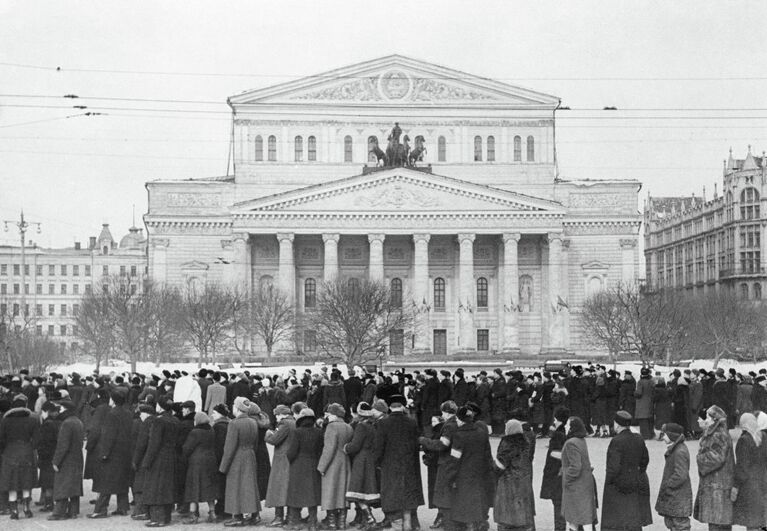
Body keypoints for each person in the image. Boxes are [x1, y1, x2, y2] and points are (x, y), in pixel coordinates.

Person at [373, 394, 424, 531]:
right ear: (402, 407)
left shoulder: (383, 423)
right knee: (408, 493)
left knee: (392, 494)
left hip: (390, 465)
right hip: (409, 464)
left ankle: (397, 524)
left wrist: (376, 462)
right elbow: (416, 444)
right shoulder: (412, 422)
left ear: (389, 407)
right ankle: (408, 522)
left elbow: (379, 447)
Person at [601, 410, 652, 531]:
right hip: (635, 482)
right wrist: (638, 472)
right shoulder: (638, 438)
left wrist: (609, 482)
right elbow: (645, 460)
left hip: (618, 486)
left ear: (617, 424)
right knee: (633, 519)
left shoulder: (616, 441)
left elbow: (613, 467)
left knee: (617, 521)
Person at [89, 388, 133, 518]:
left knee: (105, 482)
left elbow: (109, 436)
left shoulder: (111, 414)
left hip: (113, 453)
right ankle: (123, 507)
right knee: (122, 480)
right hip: (125, 452)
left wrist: (104, 453)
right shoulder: (128, 413)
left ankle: (101, 510)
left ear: (113, 400)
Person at [219, 396, 261, 527]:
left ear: (237, 408)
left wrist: (223, 466)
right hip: (250, 454)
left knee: (235, 486)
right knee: (250, 486)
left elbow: (229, 447)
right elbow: (256, 443)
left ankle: (236, 516)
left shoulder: (234, 423)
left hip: (238, 457)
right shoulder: (253, 422)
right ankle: (254, 514)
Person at [418, 400, 458, 529]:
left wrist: (424, 441)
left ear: (446, 412)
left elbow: (442, 445)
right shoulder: (456, 423)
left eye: (443, 412)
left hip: (444, 463)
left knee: (442, 492)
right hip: (452, 462)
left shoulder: (449, 426)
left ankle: (444, 518)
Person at [694, 405, 735, 531]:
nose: (705, 419)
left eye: (707, 417)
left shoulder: (718, 434)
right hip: (718, 485)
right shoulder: (716, 432)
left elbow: (717, 457)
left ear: (714, 419)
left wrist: (700, 458)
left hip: (717, 486)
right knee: (719, 522)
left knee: (717, 523)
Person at [142, 397, 180, 527]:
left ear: (160, 407)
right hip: (172, 456)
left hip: (159, 458)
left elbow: (154, 443)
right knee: (167, 487)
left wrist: (147, 461)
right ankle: (166, 517)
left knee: (156, 488)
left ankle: (157, 518)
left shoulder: (159, 421)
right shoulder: (175, 420)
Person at [0, 393, 40, 519]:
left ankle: (14, 511)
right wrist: (31, 447)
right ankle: (27, 509)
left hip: (10, 453)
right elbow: (38, 440)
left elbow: (1, 439)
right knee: (26, 480)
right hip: (27, 452)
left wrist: (4, 450)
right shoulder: (33, 420)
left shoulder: (5, 421)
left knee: (12, 482)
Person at [493, 419, 535, 531]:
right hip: (524, 482)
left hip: (508, 484)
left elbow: (500, 464)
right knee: (522, 517)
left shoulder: (507, 443)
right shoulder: (526, 442)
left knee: (506, 518)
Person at [286, 408, 323, 531]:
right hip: (313, 464)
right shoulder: (318, 432)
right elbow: (320, 450)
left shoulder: (297, 432)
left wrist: (290, 459)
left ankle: (294, 522)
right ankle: (312, 523)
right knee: (312, 494)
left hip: (298, 465)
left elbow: (291, 452)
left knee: (295, 493)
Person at [344, 402, 380, 530]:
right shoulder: (373, 426)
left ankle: (370, 520)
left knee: (357, 490)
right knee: (365, 491)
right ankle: (368, 519)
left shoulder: (361, 426)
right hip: (370, 459)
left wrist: (346, 448)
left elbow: (355, 445)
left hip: (361, 460)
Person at [48, 399, 84, 521]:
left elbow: (63, 445)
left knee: (62, 485)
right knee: (74, 485)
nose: (59, 411)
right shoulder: (78, 421)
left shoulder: (66, 423)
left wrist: (56, 461)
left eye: (61, 409)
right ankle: (73, 511)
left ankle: (59, 512)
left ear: (66, 410)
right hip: (77, 457)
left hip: (66, 459)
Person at [318, 403, 353, 529]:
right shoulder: (348, 426)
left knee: (330, 492)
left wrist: (321, 467)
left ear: (333, 414)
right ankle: (342, 522)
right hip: (345, 462)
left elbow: (329, 449)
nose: (327, 416)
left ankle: (332, 523)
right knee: (342, 492)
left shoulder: (331, 427)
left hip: (333, 463)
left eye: (329, 413)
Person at [181, 411, 218, 524]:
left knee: (194, 487)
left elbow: (187, 448)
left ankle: (193, 516)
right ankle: (212, 513)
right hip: (210, 461)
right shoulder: (211, 430)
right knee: (209, 488)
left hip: (197, 462)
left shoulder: (195, 432)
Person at [561, 416, 598, 531]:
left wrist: (566, 478)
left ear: (572, 428)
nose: (565, 426)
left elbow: (576, 466)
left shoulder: (570, 443)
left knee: (576, 519)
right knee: (582, 519)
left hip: (575, 487)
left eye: (567, 424)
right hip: (584, 484)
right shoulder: (581, 440)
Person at [655, 423, 693, 531]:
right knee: (673, 524)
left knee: (679, 525)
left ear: (672, 436)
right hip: (676, 497)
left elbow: (681, 475)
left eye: (665, 434)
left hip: (677, 497)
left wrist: (668, 485)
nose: (663, 437)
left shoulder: (679, 451)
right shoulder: (676, 448)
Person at [264, 404, 296, 527]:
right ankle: (290, 516)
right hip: (290, 458)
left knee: (278, 488)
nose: (276, 418)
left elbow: (274, 440)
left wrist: (268, 434)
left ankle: (278, 517)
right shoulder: (294, 422)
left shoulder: (284, 424)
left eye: (277, 415)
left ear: (281, 414)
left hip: (281, 459)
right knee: (287, 488)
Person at [732, 413, 765, 530]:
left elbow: (742, 468)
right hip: (763, 485)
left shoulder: (744, 441)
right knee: (762, 522)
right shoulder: (764, 437)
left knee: (752, 525)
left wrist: (735, 486)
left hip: (750, 488)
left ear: (743, 425)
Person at [540, 407, 569, 531]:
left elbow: (557, 453)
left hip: (555, 473)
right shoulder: (562, 432)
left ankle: (559, 528)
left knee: (558, 504)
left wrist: (551, 452)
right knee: (559, 503)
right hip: (559, 473)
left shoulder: (558, 434)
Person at [37, 401, 61, 512]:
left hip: (47, 457)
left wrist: (40, 456)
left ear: (46, 411)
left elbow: (43, 442)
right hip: (55, 455)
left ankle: (48, 504)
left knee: (47, 482)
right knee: (53, 480)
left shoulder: (47, 424)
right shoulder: (58, 422)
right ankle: (53, 502)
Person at [634, 368, 654, 440]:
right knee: (649, 420)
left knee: (643, 421)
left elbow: (639, 393)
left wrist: (634, 393)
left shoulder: (640, 382)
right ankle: (650, 434)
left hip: (642, 404)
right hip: (650, 402)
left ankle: (645, 435)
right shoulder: (651, 382)